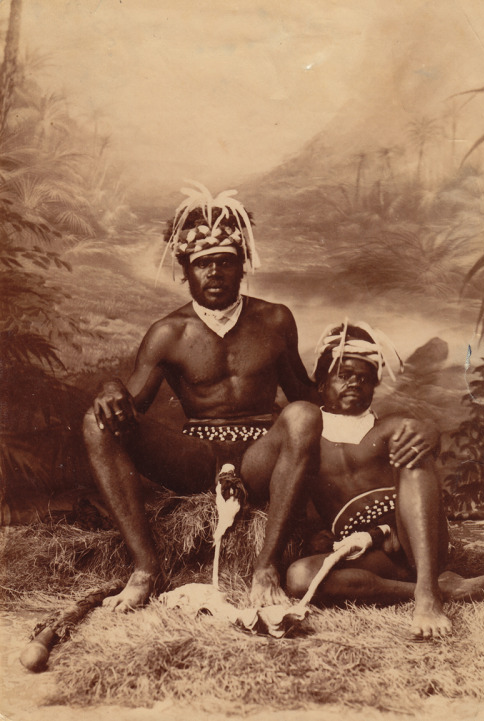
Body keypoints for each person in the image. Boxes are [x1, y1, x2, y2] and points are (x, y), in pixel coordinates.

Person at [83, 185, 433, 612]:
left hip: (259, 458)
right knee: (96, 423)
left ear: (242, 266)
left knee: (302, 415)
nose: (214, 272)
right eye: (203, 264)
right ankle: (145, 569)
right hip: (195, 457)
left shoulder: (274, 319)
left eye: (225, 262)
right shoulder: (167, 334)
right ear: (185, 270)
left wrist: (401, 419)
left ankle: (265, 568)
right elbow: (131, 404)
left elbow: (309, 395)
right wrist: (110, 389)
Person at [286, 322, 484, 638]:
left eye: (364, 378)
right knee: (298, 577)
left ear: (374, 387)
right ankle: (435, 589)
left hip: (418, 544)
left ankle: (428, 594)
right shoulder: (304, 435)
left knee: (412, 443)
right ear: (320, 382)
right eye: (344, 375)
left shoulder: (391, 427)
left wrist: (430, 432)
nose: (354, 383)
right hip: (366, 552)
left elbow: (421, 434)